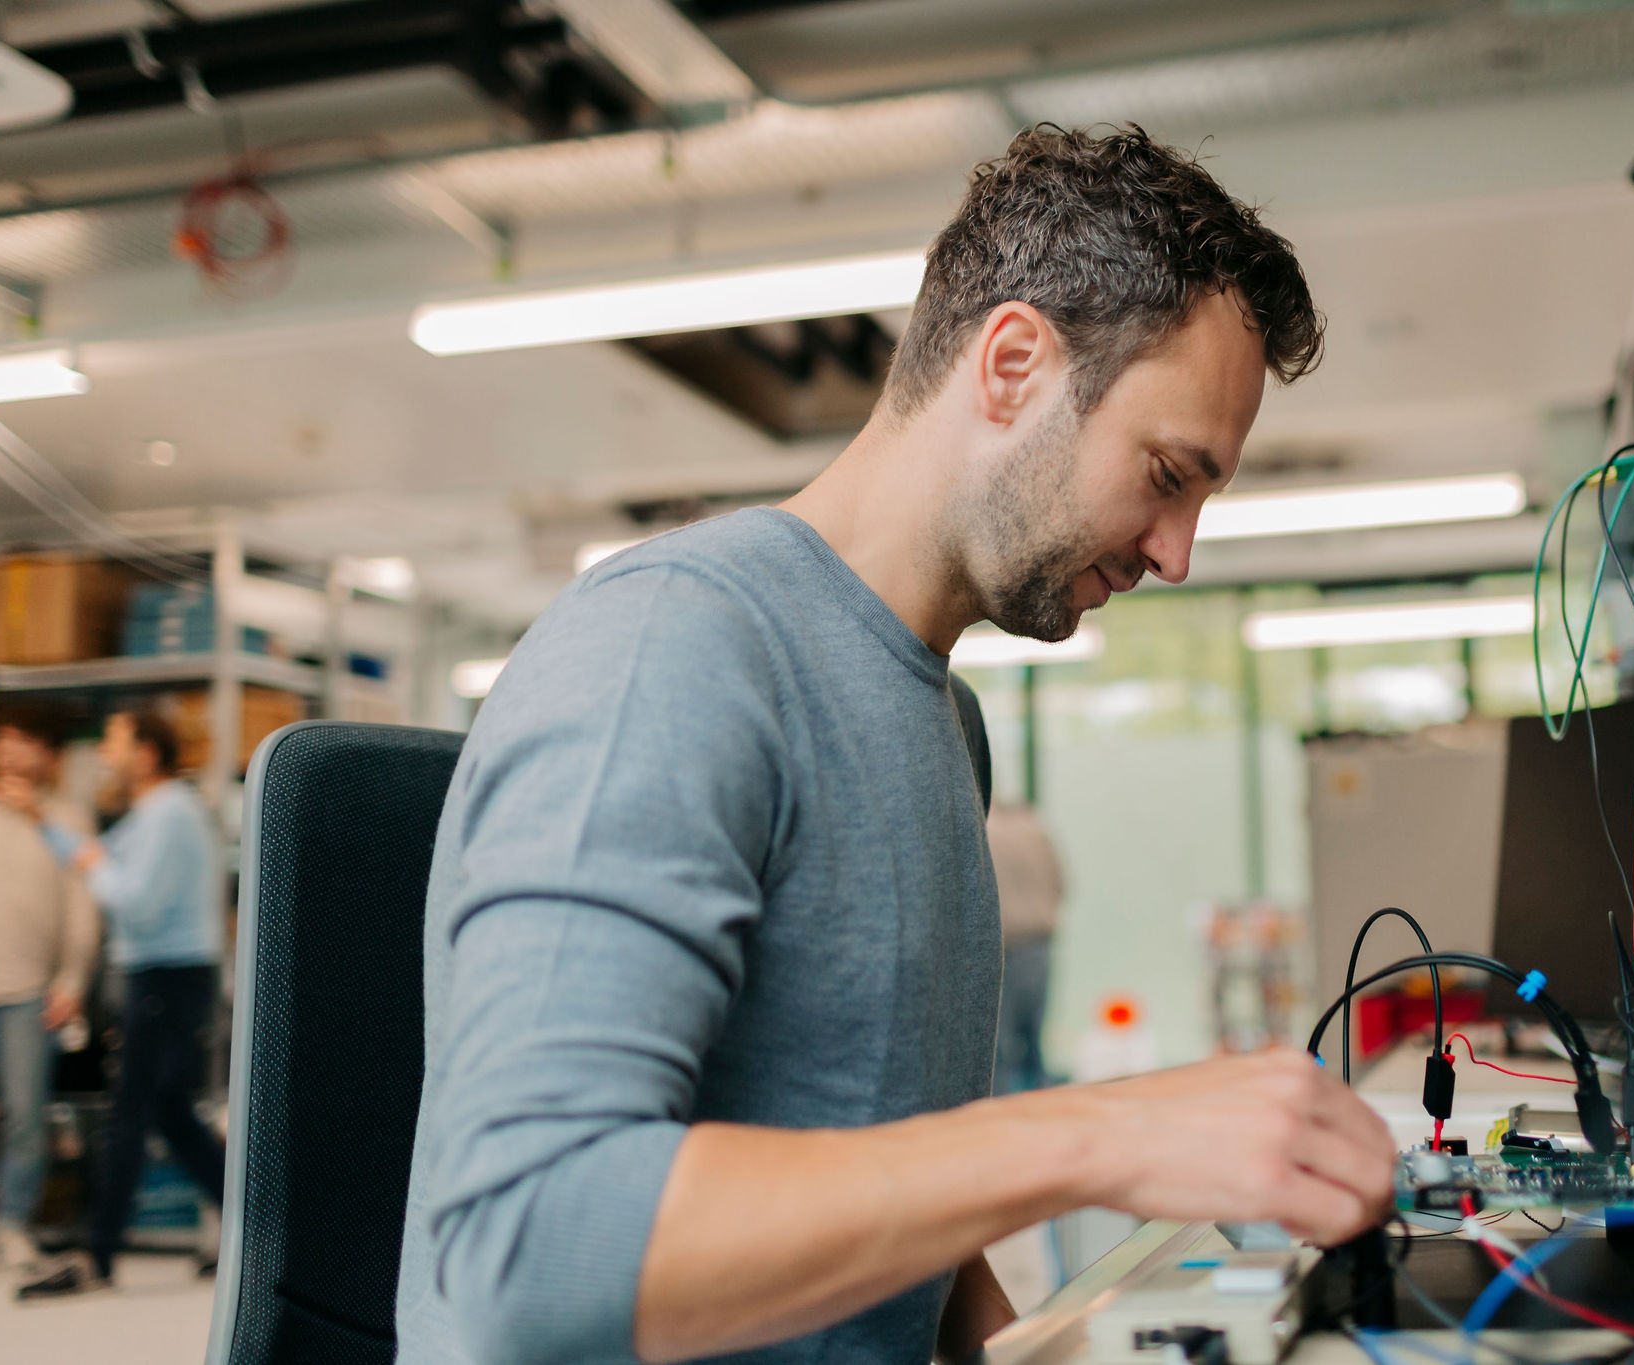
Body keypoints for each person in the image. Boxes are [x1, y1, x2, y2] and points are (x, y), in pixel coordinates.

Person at [396, 125, 1397, 1365]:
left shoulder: (938, 720)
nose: (1175, 552)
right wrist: (1098, 1134)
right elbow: (526, 1250)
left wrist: (1015, 1346)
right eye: (1164, 474)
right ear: (1013, 365)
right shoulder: (672, 650)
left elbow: (867, 1150)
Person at [0, 707, 226, 1298]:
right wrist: (45, 821)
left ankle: (96, 1256)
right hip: (169, 977)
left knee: (129, 1112)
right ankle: (260, 1230)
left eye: (113, 742)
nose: (103, 752)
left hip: (166, 977)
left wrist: (93, 864)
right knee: (172, 1114)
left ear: (146, 754)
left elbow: (134, 902)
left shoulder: (169, 813)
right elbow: (96, 852)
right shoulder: (155, 812)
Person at [0, 706, 100, 1270]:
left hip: (30, 994)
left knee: (25, 1116)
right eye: (5, 740)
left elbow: (84, 907)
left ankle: (11, 1224)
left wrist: (72, 980)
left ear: (49, 755)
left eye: (25, 741)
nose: (11, 751)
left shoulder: (68, 823)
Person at [988, 800, 1066, 1095]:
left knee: (999, 1048)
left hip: (1001, 948)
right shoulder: (1034, 827)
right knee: (1034, 1041)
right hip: (1038, 945)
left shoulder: (983, 830)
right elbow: (1061, 882)